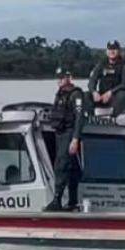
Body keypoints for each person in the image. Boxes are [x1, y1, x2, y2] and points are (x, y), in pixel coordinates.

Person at [44, 67, 88, 211]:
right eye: (57, 77)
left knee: (61, 166)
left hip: (69, 133)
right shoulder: (60, 94)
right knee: (71, 168)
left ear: (69, 77)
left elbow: (79, 117)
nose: (59, 80)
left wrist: (75, 139)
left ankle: (57, 200)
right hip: (60, 133)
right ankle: (73, 201)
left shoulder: (75, 95)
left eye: (62, 77)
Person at [88, 39, 125, 117]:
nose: (112, 52)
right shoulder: (101, 63)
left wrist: (111, 92)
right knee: (86, 96)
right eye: (110, 49)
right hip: (102, 96)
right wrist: (94, 92)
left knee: (122, 95)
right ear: (106, 51)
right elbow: (92, 80)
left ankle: (113, 119)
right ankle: (90, 118)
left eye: (114, 49)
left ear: (119, 51)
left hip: (116, 96)